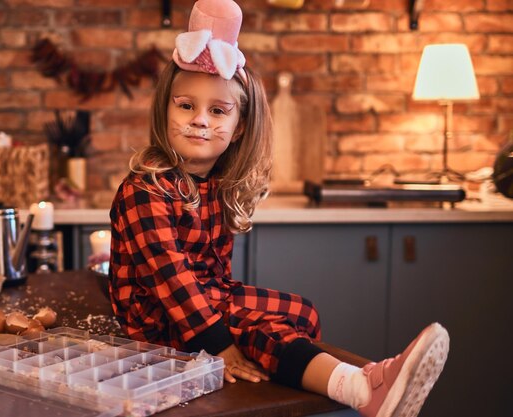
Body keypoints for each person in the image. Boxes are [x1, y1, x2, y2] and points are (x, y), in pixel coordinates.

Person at [108, 1, 449, 417]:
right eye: (185, 106)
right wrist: (222, 345)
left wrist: (228, 327)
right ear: (165, 110)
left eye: (217, 110)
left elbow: (214, 281)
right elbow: (172, 280)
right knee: (257, 328)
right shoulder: (146, 189)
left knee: (301, 312)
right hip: (158, 322)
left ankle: (361, 378)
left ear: (239, 129)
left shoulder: (213, 185)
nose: (200, 120)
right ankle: (363, 386)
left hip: (208, 300)